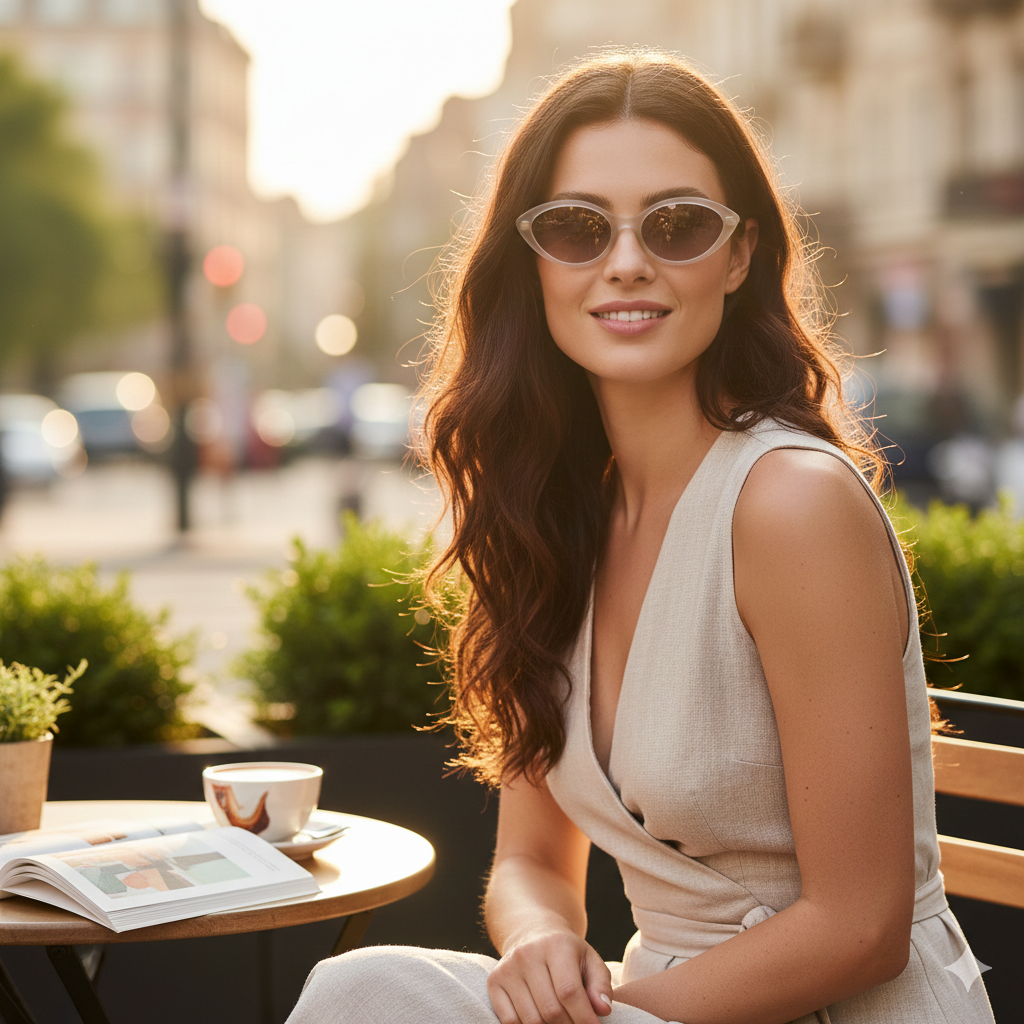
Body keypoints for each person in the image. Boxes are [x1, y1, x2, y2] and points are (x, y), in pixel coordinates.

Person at [287, 50, 995, 1024]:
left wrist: (621, 1008)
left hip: (829, 1009)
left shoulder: (789, 504)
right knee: (358, 990)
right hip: (650, 1004)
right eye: (577, 228)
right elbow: (533, 861)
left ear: (739, 255)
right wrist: (542, 941)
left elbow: (859, 925)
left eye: (676, 225)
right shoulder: (554, 517)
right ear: (530, 262)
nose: (626, 260)